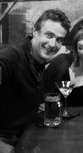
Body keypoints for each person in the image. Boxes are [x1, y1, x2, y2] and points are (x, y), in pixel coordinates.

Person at [0, 9, 70, 152]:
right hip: (6, 140)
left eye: (59, 39)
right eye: (49, 35)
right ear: (35, 31)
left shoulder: (42, 64)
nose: (52, 44)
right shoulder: (13, 56)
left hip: (28, 136)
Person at [43, 27, 83, 106]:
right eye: (81, 48)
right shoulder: (61, 61)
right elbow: (42, 86)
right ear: (76, 51)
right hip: (52, 115)